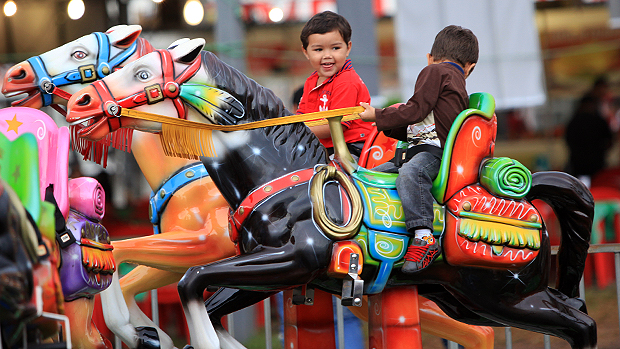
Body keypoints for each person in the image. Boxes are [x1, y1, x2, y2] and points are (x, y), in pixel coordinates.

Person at [359, 25, 478, 274]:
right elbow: (422, 123)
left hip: (431, 153)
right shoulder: (454, 80)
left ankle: (424, 237)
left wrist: (376, 115)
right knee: (372, 176)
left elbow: (415, 111)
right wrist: (389, 125)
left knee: (409, 174)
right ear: (470, 67)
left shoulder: (434, 71)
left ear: (429, 57)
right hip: (421, 151)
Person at [297, 10, 373, 158]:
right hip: (323, 147)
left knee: (327, 177)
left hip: (353, 147)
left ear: (348, 48)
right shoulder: (310, 81)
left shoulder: (347, 81)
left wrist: (296, 131)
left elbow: (338, 124)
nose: (327, 55)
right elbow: (302, 116)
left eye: (335, 48)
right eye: (318, 49)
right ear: (306, 52)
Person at [565, 81, 614, 187]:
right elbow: (609, 140)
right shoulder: (597, 120)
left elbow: (567, 139)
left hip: (580, 162)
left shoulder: (576, 121)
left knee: (580, 188)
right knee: (597, 186)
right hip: (594, 162)